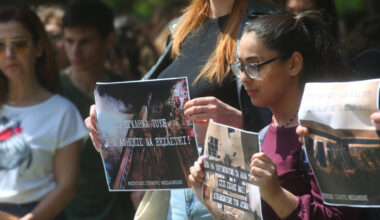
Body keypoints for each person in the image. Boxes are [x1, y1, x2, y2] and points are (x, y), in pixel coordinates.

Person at [86, 0, 283, 219]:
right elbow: (154, 100)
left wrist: (242, 121)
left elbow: (294, 113)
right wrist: (110, 117)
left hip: (230, 179)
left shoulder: (269, 22)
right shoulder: (183, 25)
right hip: (177, 188)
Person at [189, 11, 364, 219]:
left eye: (254, 66)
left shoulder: (328, 132)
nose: (244, 78)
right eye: (240, 67)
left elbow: (341, 215)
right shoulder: (262, 135)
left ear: (293, 64)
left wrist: (275, 193)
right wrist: (208, 194)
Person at [0, 6, 88, 219]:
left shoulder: (62, 112)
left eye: (19, 45)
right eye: (0, 46)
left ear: (39, 48)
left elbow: (67, 186)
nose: (9, 54)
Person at [60, 0, 135, 219]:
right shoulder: (52, 90)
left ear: (108, 40)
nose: (76, 51)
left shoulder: (126, 92)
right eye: (69, 41)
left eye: (85, 41)